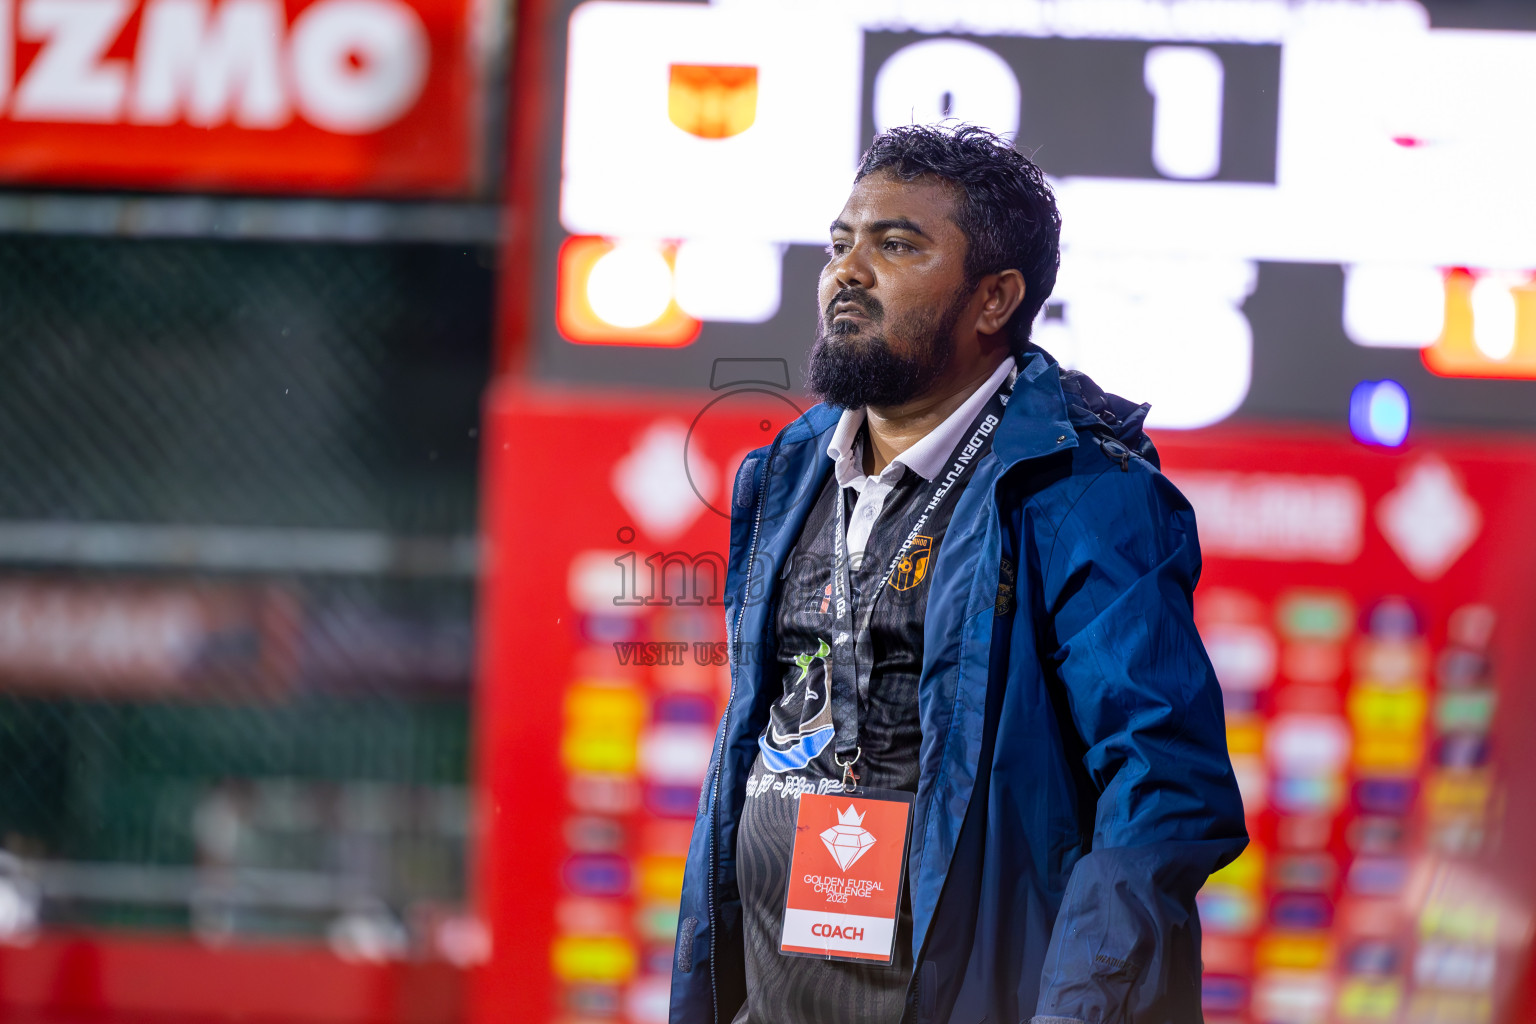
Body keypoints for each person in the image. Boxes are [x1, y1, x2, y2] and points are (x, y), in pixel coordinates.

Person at [668, 124, 1247, 1024]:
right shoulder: (784, 470)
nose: (847, 272)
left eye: (896, 245)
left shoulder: (1086, 494)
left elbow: (1163, 788)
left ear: (994, 300)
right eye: (840, 242)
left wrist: (1081, 1010)